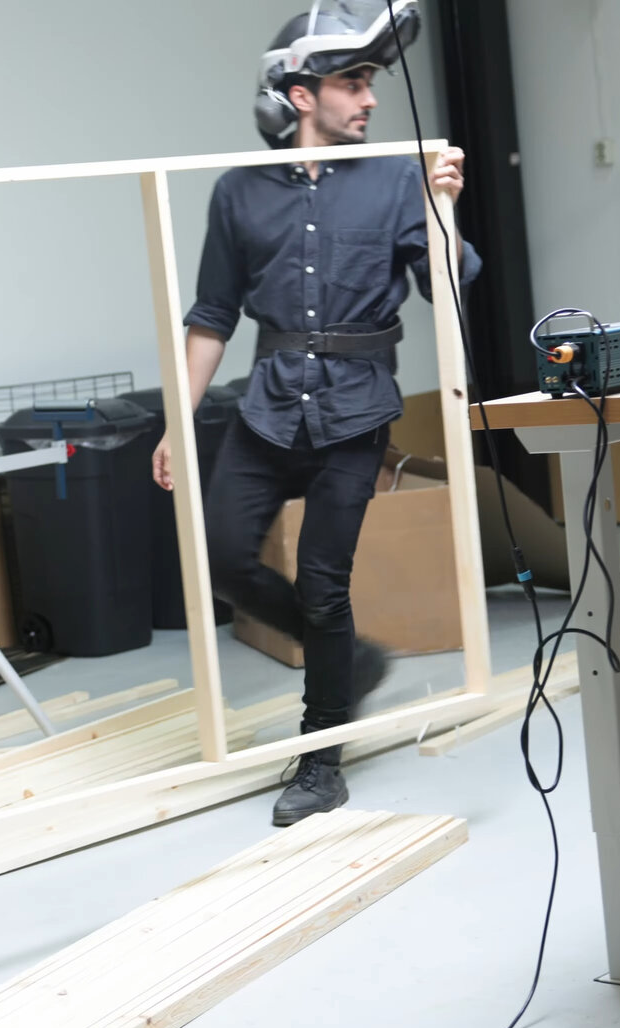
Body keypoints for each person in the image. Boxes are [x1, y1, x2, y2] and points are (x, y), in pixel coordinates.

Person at [150, 0, 481, 826]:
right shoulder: (238, 192)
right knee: (221, 557)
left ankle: (320, 758)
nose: (370, 98)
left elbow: (445, 286)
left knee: (325, 588)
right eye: (353, 83)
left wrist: (442, 209)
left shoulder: (399, 179)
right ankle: (351, 663)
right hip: (265, 407)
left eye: (371, 82)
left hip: (355, 411)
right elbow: (213, 317)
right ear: (302, 95)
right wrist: (176, 422)